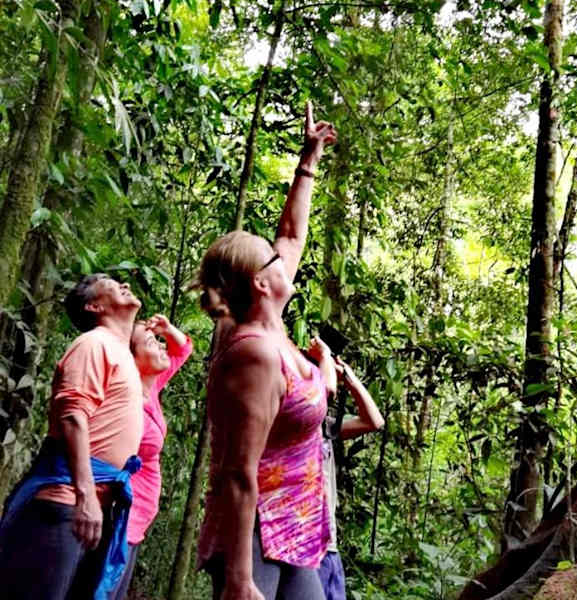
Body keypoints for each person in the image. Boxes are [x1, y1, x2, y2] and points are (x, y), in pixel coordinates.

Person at [196, 101, 337, 600]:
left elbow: (292, 236)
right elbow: (237, 471)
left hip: (295, 527)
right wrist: (239, 577)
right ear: (261, 282)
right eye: (274, 259)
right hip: (254, 534)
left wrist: (309, 161)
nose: (285, 257)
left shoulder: (272, 329)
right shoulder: (253, 352)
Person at [0, 274, 144, 600]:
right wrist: (85, 495)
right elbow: (73, 416)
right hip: (66, 501)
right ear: (94, 306)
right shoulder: (94, 344)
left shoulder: (121, 352)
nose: (123, 284)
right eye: (110, 283)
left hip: (91, 502)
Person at [111, 314, 193, 600]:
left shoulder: (152, 385)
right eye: (151, 342)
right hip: (121, 517)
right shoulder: (127, 400)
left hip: (137, 521)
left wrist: (167, 329)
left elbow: (183, 349)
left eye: (158, 341)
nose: (161, 346)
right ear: (132, 359)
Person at [318, 356, 384, 600]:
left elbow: (374, 421)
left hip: (329, 544)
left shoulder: (325, 426)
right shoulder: (287, 424)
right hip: (303, 545)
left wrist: (348, 378)